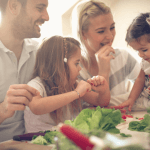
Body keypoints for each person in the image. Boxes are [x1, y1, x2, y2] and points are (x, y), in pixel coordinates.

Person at [24, 35, 110, 133]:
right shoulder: (36, 85)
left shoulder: (71, 84)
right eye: (76, 63)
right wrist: (76, 93)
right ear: (60, 64)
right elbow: (36, 107)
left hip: (61, 141)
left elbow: (101, 102)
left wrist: (103, 91)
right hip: (37, 143)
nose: (80, 68)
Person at [71, 0, 141, 107]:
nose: (110, 36)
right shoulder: (74, 69)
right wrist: (104, 72)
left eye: (112, 27)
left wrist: (130, 98)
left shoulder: (123, 56)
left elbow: (145, 84)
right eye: (101, 31)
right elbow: (101, 105)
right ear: (83, 34)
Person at [0, 0, 49, 142]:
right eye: (40, 8)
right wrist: (3, 109)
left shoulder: (40, 52)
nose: (46, 17)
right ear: (14, 6)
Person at [117, 13, 150, 111]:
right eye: (137, 51)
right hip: (144, 102)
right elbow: (140, 80)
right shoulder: (145, 62)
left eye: (144, 50)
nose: (140, 55)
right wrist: (131, 99)